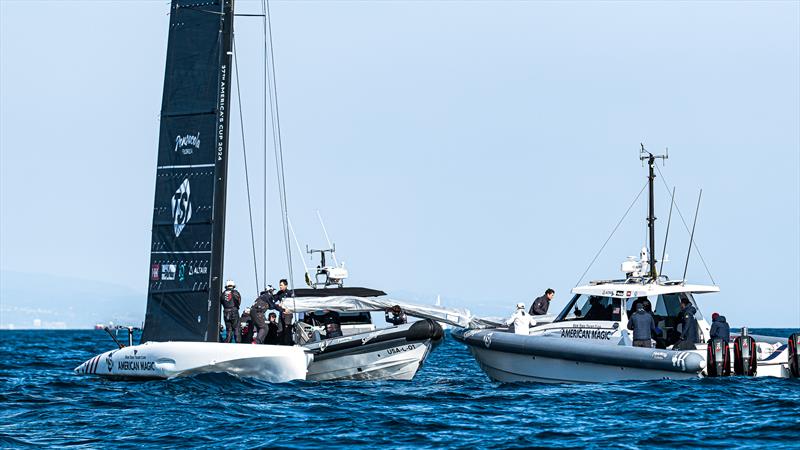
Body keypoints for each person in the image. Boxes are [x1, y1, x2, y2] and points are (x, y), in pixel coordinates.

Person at [272, 279, 295, 345]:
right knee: (280, 329)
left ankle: (288, 343)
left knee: (287, 329)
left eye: (281, 285)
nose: (280, 287)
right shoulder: (279, 293)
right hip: (281, 313)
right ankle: (280, 344)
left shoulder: (290, 293)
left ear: (286, 285)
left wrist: (289, 309)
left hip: (288, 314)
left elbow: (294, 303)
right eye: (279, 285)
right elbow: (274, 300)